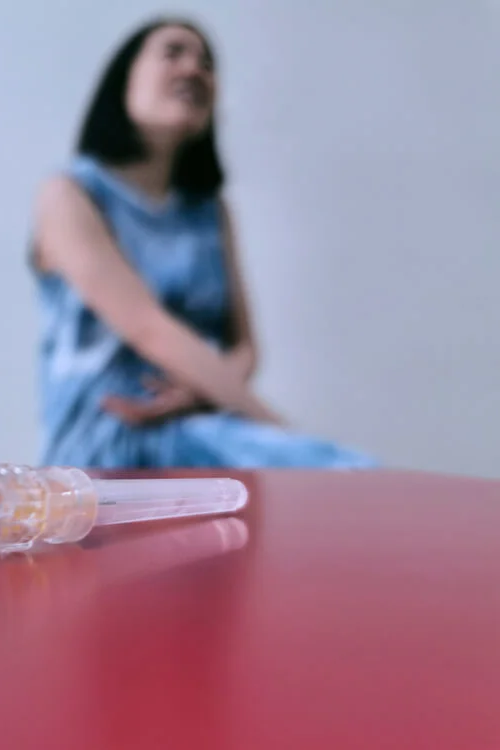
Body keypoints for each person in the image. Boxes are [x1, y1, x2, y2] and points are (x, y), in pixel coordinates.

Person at [30, 17, 376, 469]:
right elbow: (147, 327)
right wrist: (272, 423)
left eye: (207, 63)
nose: (194, 69)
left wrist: (200, 393)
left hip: (199, 423)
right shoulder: (70, 194)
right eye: (173, 52)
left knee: (349, 479)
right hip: (108, 440)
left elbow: (245, 347)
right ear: (123, 80)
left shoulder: (211, 213)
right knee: (341, 475)